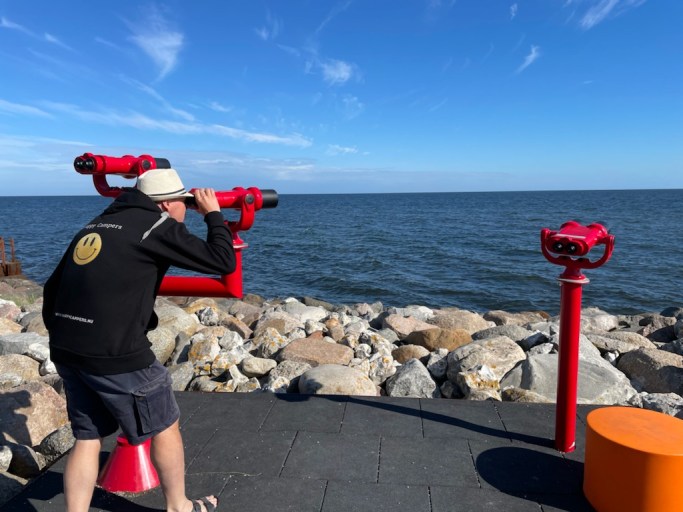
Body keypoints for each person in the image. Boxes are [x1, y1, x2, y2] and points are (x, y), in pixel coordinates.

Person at [42, 168, 233, 512]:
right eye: (185, 204)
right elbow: (223, 260)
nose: (186, 211)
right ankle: (179, 507)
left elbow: (52, 287)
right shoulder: (156, 225)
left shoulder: (96, 224)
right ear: (167, 203)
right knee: (165, 424)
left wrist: (64, 335)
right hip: (115, 353)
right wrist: (213, 214)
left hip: (67, 347)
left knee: (87, 437)